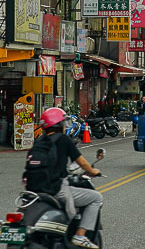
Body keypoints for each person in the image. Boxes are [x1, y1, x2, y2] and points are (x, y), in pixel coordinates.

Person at [36, 107, 104, 249]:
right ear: (59, 124)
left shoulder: (39, 141)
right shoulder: (63, 139)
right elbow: (81, 162)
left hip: (36, 190)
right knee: (96, 198)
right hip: (56, 188)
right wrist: (93, 170)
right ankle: (79, 235)